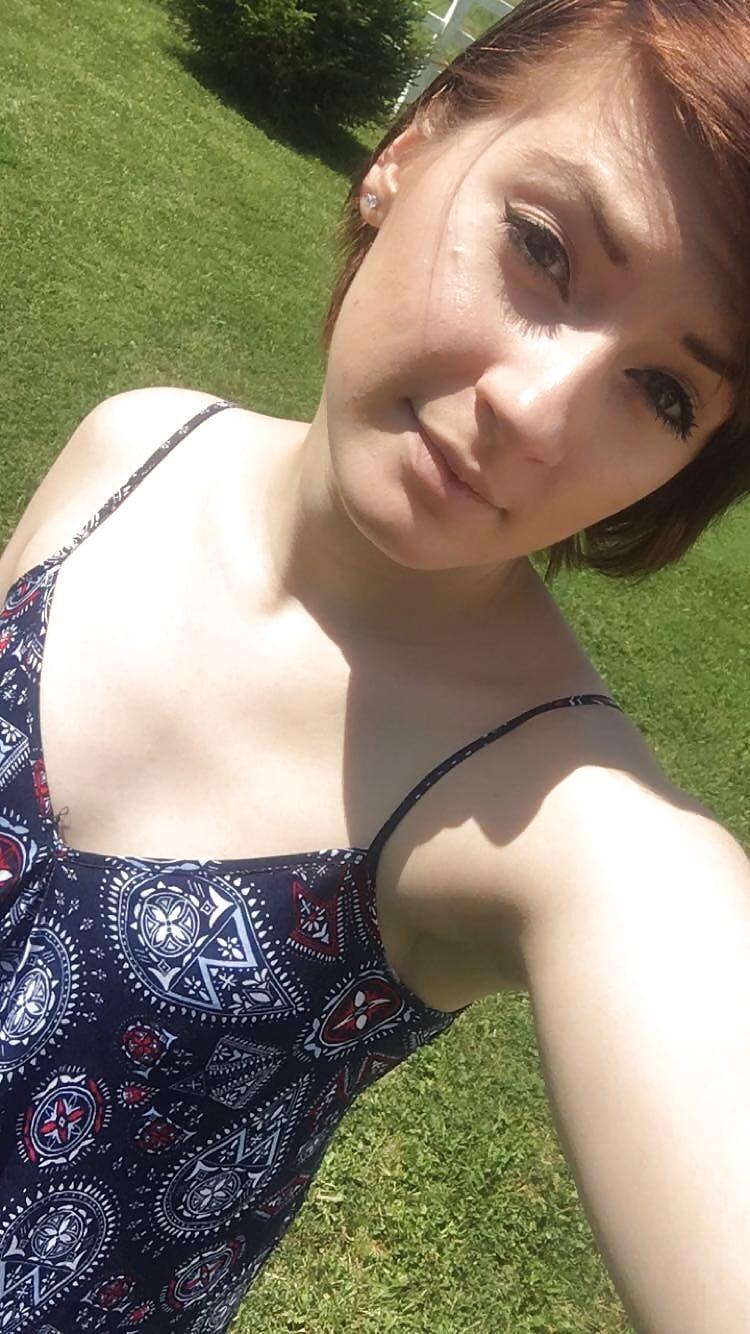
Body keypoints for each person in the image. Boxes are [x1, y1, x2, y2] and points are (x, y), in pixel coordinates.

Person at [0, 0, 749, 1328]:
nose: (536, 412)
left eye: (663, 394)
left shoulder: (559, 820)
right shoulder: (135, 445)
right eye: (543, 248)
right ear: (408, 146)